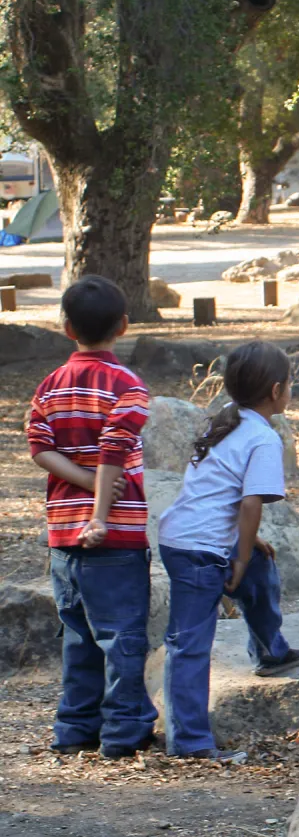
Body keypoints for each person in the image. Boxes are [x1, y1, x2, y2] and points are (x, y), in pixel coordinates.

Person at [157, 341, 299, 760]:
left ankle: (271, 650)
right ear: (277, 389)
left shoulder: (227, 420)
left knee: (261, 563)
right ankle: (189, 742)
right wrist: (238, 556)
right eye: (291, 384)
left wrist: (248, 548)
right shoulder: (262, 437)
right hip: (198, 548)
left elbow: (219, 491)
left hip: (188, 536)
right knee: (189, 643)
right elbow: (250, 502)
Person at [27, 276, 157, 758]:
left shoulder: (50, 385)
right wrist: (99, 513)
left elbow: (40, 448)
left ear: (66, 329)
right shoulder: (128, 386)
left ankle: (74, 729)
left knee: (79, 635)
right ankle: (124, 731)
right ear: (124, 325)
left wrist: (79, 485)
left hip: (63, 535)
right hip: (114, 536)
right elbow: (114, 451)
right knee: (120, 635)